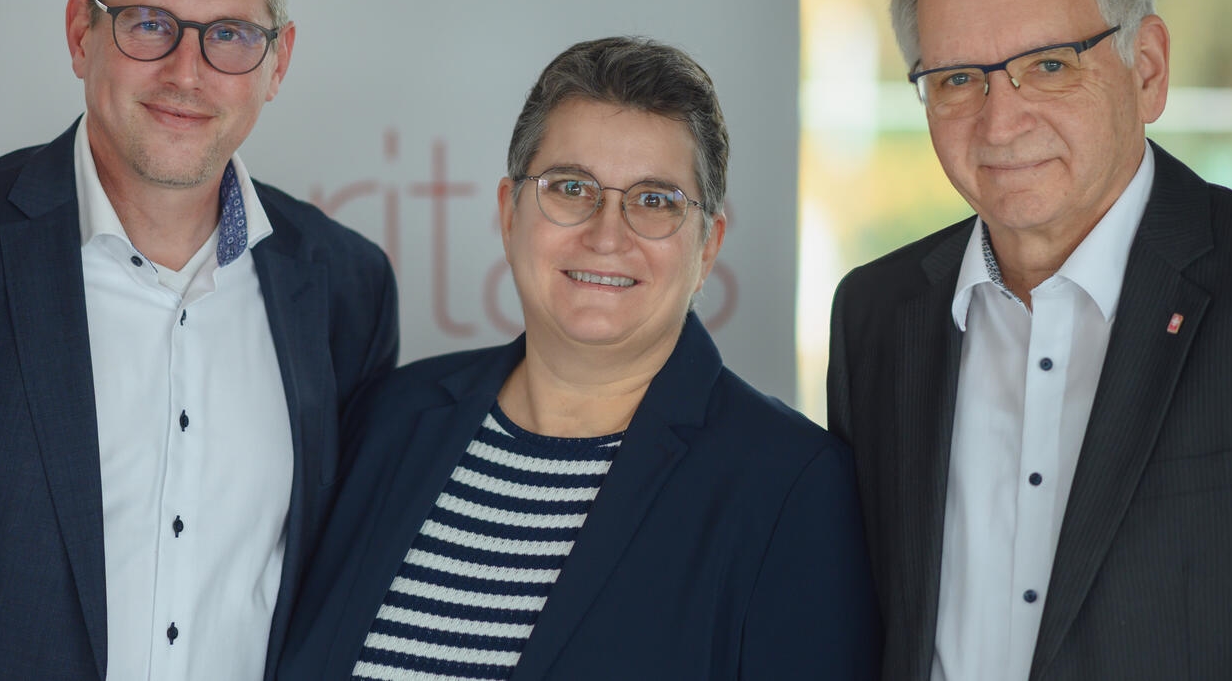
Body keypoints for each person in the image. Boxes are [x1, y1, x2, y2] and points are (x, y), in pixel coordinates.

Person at [279, 36, 880, 679]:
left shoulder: (789, 484)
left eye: (654, 200)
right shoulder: (391, 420)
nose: (606, 234)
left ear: (707, 246)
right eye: (571, 187)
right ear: (511, 214)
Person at [0, 0, 399, 681]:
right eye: (150, 24)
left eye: (230, 34)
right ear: (82, 32)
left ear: (277, 61)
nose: (188, 72)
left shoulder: (346, 289)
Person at [828, 0, 1232, 680]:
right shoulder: (875, 313)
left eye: (1048, 64)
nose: (1001, 122)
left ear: (1146, 68)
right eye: (958, 79)